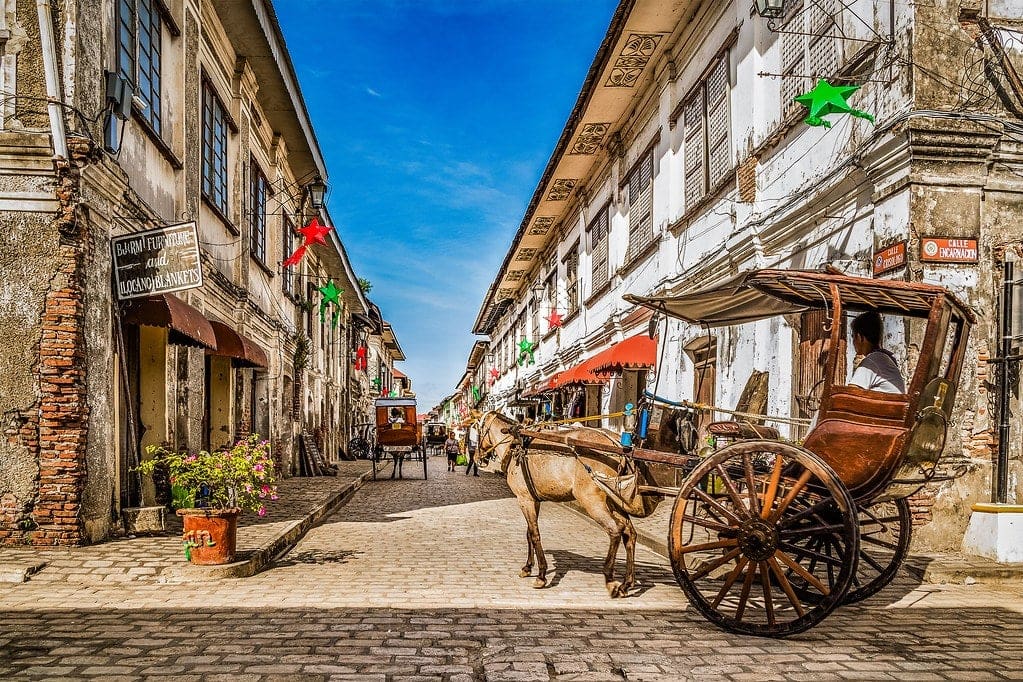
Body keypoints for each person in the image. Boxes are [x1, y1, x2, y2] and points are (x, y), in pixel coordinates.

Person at [848, 311, 905, 394]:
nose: (853, 342)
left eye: (853, 336)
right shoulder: (884, 358)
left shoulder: (872, 361)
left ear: (860, 337)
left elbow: (850, 394)